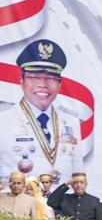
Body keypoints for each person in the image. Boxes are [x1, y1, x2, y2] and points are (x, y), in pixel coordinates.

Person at [0, 39, 84, 183]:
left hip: (60, 203)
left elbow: (77, 172)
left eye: (50, 78)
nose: (43, 85)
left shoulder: (70, 121)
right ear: (21, 81)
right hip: (17, 202)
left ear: (59, 84)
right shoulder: (4, 119)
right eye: (35, 77)